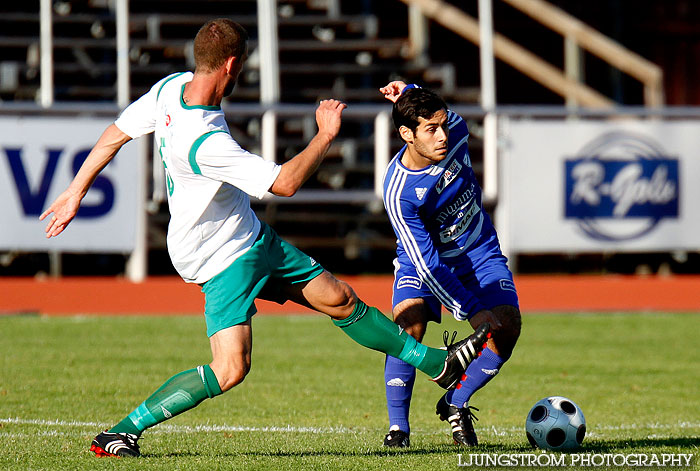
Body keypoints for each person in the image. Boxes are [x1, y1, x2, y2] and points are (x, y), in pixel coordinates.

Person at [39, 20, 490, 458]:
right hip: (219, 257)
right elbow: (285, 183)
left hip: (249, 235)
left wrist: (74, 192)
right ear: (232, 65)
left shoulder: (170, 89)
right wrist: (325, 136)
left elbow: (115, 134)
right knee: (231, 368)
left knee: (339, 298)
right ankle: (121, 432)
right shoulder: (206, 140)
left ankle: (438, 365)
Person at [378, 81, 521, 448]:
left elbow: (439, 114)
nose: (444, 134)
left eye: (443, 124)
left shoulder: (455, 129)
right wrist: (471, 311)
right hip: (422, 261)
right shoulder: (399, 190)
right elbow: (427, 265)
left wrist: (409, 89)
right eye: (431, 129)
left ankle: (455, 402)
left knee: (507, 327)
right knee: (408, 326)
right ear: (406, 135)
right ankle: (398, 430)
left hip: (478, 249)